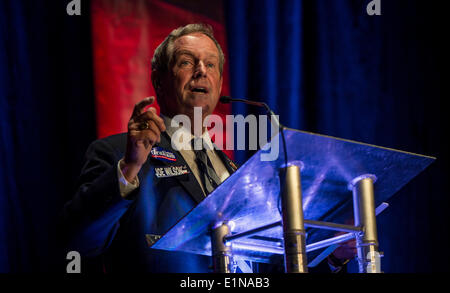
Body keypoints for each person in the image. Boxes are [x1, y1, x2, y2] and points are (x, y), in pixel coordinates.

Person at [62, 23, 353, 273]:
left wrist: (334, 254)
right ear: (159, 81)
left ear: (219, 82)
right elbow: (80, 241)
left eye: (211, 64)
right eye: (187, 62)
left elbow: (264, 264)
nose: (201, 71)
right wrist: (129, 169)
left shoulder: (235, 173)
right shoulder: (118, 154)